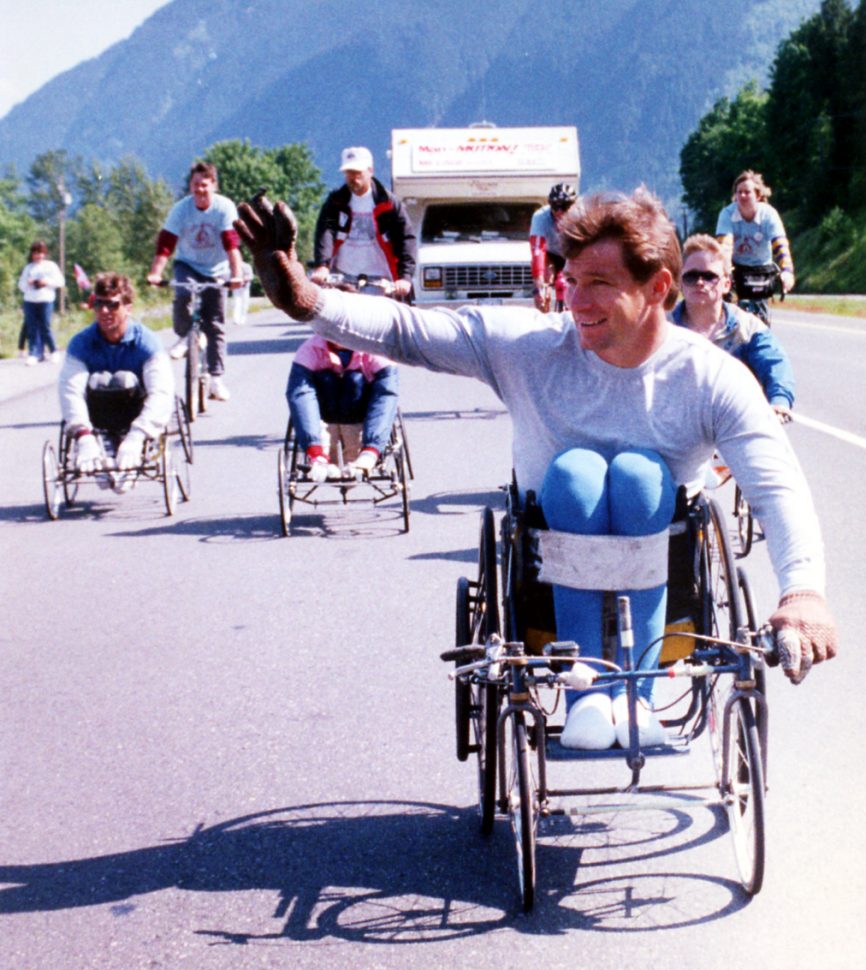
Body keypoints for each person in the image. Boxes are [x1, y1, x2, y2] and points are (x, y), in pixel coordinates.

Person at [236, 187, 837, 751]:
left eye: (598, 282)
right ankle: (586, 692)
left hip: (667, 573)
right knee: (575, 473)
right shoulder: (531, 347)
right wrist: (298, 294)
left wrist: (803, 590)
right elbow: (406, 328)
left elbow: (775, 482)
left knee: (640, 476)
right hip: (544, 582)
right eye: (570, 279)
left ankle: (637, 696)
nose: (574, 301)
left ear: (658, 288)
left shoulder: (709, 376)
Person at [59, 272, 174, 479]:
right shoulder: (80, 343)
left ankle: (129, 442)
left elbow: (161, 392)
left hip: (135, 412)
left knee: (125, 379)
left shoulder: (147, 343)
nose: (104, 311)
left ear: (128, 308)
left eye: (113, 305)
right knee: (98, 380)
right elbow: (70, 391)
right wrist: (83, 434)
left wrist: (138, 435)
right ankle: (101, 444)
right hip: (98, 414)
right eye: (99, 304)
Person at [146, 161, 243, 401]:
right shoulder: (181, 209)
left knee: (215, 323)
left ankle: (216, 379)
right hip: (188, 264)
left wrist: (236, 275)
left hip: (217, 269)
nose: (200, 190)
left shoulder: (224, 208)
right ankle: (185, 335)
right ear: (190, 186)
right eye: (195, 185)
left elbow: (232, 246)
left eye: (205, 185)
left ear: (214, 185)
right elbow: (166, 244)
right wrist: (156, 273)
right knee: (183, 294)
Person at [671, 234, 795, 417]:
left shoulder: (749, 328)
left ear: (726, 284)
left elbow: (775, 364)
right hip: (676, 425)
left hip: (732, 423)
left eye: (709, 276)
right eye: (691, 276)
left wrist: (779, 401)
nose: (699, 282)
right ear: (680, 282)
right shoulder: (662, 327)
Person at [287, 329, 399, 481]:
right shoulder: (310, 349)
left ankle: (362, 455)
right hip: (325, 417)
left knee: (355, 380)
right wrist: (313, 449)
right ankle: (321, 457)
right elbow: (301, 395)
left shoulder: (377, 350)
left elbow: (385, 396)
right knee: (326, 380)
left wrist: (372, 450)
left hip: (360, 416)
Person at [309, 146, 416, 301]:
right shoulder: (336, 201)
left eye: (358, 172)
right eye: (349, 173)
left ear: (370, 171)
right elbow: (326, 232)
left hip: (380, 281)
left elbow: (406, 238)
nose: (353, 178)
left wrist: (404, 278)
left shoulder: (388, 202)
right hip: (343, 278)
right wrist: (322, 266)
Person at [715, 170, 794, 322]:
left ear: (758, 195)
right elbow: (724, 247)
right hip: (736, 268)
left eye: (747, 192)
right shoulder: (727, 214)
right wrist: (724, 271)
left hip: (761, 270)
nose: (742, 196)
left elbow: (780, 245)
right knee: (729, 315)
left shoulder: (769, 214)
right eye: (739, 192)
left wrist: (787, 271)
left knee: (761, 319)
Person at [530, 183, 577, 312]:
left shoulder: (580, 216)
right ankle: (543, 317)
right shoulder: (540, 217)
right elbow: (538, 249)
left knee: (572, 282)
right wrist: (540, 284)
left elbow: (582, 248)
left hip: (573, 252)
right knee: (544, 283)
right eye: (555, 207)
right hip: (551, 254)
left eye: (564, 207)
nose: (559, 212)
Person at [17, 240, 63, 366]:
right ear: (32, 254)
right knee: (32, 328)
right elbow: (21, 285)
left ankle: (54, 351)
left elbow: (60, 282)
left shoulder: (51, 266)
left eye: (41, 253)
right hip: (30, 300)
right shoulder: (29, 267)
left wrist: (46, 282)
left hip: (46, 300)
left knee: (45, 326)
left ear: (44, 253)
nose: (38, 256)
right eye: (36, 253)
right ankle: (34, 354)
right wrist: (29, 282)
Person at [232, 260, 254, 325]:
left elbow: (250, 276)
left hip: (245, 287)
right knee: (236, 302)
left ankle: (243, 318)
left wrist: (244, 280)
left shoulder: (246, 266)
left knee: (245, 302)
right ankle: (236, 319)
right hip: (237, 287)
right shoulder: (233, 266)